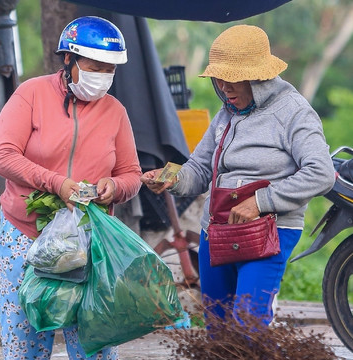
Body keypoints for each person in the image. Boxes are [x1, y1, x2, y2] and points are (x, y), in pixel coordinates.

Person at [141, 24, 335, 326]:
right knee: (218, 329)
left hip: (269, 231)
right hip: (216, 231)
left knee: (248, 325)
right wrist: (173, 179)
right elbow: (200, 169)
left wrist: (260, 202)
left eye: (232, 79)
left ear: (259, 77)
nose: (224, 87)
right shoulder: (226, 113)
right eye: (219, 79)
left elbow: (321, 173)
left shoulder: (295, 112)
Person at [0, 16, 142, 359]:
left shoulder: (115, 111)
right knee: (23, 340)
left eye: (110, 69)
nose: (102, 75)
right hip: (25, 236)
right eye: (95, 65)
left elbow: (132, 174)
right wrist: (57, 183)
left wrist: (113, 186)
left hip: (88, 243)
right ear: (69, 59)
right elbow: (2, 156)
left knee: (94, 343)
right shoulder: (31, 94)